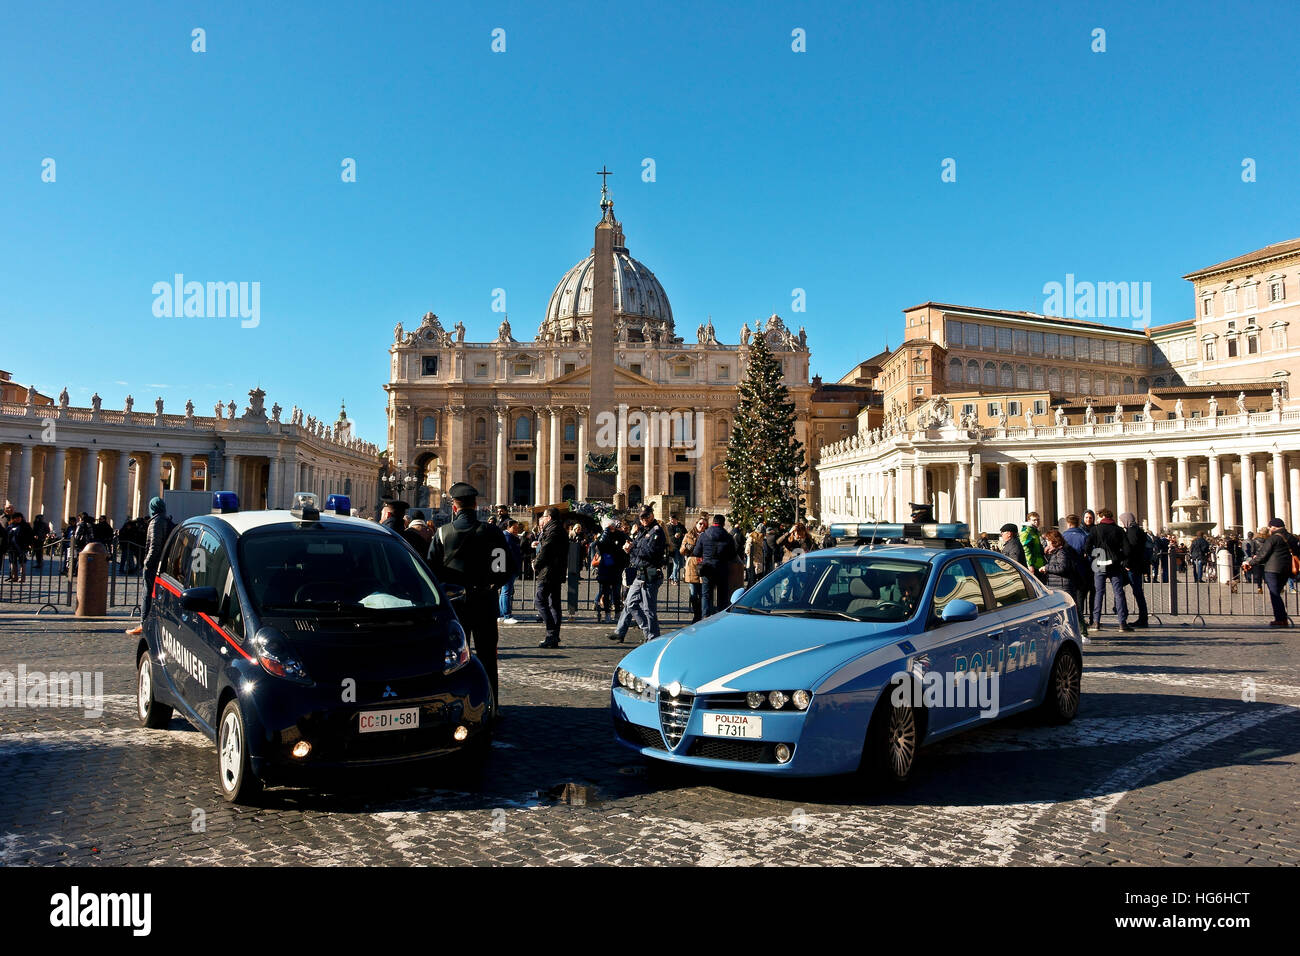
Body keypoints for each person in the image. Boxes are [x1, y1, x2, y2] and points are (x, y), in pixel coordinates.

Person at [427, 482, 517, 710]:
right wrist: (492, 586)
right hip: (484, 602)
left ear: (454, 507)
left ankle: (457, 706)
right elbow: (504, 568)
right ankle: (492, 706)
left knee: (456, 658)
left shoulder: (442, 533)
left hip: (455, 605)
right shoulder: (492, 532)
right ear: (476, 505)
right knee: (487, 657)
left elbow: (432, 570)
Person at [609, 505, 667, 643]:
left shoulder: (656, 531)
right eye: (641, 517)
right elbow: (636, 548)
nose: (644, 519)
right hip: (640, 573)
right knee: (630, 603)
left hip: (651, 574)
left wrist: (631, 550)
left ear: (652, 515)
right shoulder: (643, 530)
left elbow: (649, 553)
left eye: (646, 516)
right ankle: (647, 631)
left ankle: (653, 638)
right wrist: (630, 547)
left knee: (648, 610)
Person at [126, 497, 174, 637]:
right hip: (163, 565)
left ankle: (144, 623)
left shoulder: (156, 522)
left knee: (147, 594)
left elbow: (154, 545)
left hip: (154, 566)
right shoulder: (166, 520)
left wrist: (147, 564)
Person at [1243, 519, 1296, 627]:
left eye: (1269, 527)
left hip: (1272, 569)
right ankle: (1282, 617)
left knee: (1274, 594)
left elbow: (1262, 555)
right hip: (1287, 569)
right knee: (1277, 592)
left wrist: (1250, 563)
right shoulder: (1292, 538)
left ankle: (1281, 619)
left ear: (1273, 527)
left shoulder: (1273, 538)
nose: (1269, 530)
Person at [1086, 508, 1132, 632]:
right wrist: (1118, 557)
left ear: (1101, 516)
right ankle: (1122, 623)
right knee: (1118, 593)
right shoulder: (1118, 530)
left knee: (1098, 592)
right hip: (1115, 564)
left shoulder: (1095, 529)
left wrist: (1095, 554)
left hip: (1099, 563)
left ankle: (1096, 622)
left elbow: (1087, 547)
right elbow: (1127, 550)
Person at [532, 507, 567, 648]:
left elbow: (547, 549)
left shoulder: (553, 530)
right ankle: (553, 636)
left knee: (540, 601)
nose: (543, 519)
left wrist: (536, 562)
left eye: (544, 516)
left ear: (549, 518)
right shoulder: (558, 529)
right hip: (556, 571)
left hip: (549, 571)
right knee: (554, 604)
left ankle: (552, 633)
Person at [692, 513, 738, 617]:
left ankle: (705, 617)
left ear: (713, 522)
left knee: (706, 595)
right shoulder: (728, 537)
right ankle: (721, 617)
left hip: (707, 568)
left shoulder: (704, 535)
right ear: (723, 524)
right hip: (722, 568)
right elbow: (732, 555)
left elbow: (696, 552)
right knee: (722, 596)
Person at [593, 517, 628, 623]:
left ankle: (617, 613)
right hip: (606, 566)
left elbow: (624, 546)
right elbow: (599, 547)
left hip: (616, 566)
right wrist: (606, 532)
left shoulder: (620, 535)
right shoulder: (604, 536)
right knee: (606, 592)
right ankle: (607, 614)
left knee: (616, 592)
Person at [1119, 512, 1150, 628]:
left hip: (1132, 567)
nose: (1121, 522)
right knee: (1136, 591)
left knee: (1136, 591)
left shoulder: (1132, 532)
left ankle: (1141, 618)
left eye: (1121, 520)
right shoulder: (1137, 530)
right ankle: (1141, 617)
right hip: (1137, 566)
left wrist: (1127, 564)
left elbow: (1131, 550)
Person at [681, 515, 707, 622]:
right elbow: (681, 550)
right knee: (693, 593)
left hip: (704, 564)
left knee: (703, 593)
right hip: (692, 565)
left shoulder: (707, 535)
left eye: (704, 524)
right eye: (700, 523)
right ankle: (696, 614)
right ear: (696, 524)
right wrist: (687, 547)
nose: (702, 526)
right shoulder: (689, 535)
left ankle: (701, 615)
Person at [498, 520, 522, 624]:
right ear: (508, 527)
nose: (517, 530)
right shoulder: (508, 538)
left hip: (508, 568)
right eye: (514, 528)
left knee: (504, 592)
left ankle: (501, 614)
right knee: (506, 592)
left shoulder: (508, 537)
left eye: (517, 528)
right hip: (509, 568)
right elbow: (510, 555)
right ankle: (507, 615)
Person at [6, 512, 33, 583]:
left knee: (22, 562)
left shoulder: (25, 526)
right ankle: (14, 577)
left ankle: (22, 577)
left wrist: (30, 544)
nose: (18, 519)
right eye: (16, 518)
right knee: (12, 562)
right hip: (12, 547)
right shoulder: (10, 526)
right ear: (13, 519)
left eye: (19, 517)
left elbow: (30, 535)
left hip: (22, 547)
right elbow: (7, 536)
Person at [665, 515, 686, 582]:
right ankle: (675, 579)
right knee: (676, 564)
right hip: (674, 547)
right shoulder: (669, 527)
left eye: (672, 519)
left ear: (676, 519)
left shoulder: (681, 526)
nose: (671, 521)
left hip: (681, 546)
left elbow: (686, 533)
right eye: (670, 519)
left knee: (682, 564)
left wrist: (682, 535)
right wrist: (674, 536)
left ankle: (671, 576)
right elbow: (669, 537)